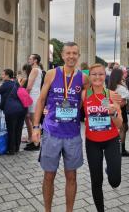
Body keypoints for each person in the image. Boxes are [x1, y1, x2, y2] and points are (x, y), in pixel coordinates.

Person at [31, 42, 88, 212]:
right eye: (68, 53)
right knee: (49, 176)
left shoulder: (83, 78)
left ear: (78, 56)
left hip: (72, 134)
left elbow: (87, 101)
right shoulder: (51, 74)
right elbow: (41, 100)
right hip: (51, 132)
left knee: (71, 176)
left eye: (75, 53)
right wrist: (35, 127)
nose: (71, 56)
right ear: (62, 56)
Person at [83, 63, 123, 212]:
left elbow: (119, 125)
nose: (97, 77)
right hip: (92, 142)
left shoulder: (111, 95)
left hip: (111, 140)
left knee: (115, 180)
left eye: (100, 74)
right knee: (96, 181)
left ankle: (110, 171)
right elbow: (69, 104)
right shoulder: (85, 94)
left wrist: (113, 113)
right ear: (90, 76)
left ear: (105, 76)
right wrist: (50, 112)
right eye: (94, 74)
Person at [0, 69, 26, 155]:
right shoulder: (16, 83)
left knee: (11, 129)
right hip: (21, 109)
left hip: (11, 110)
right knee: (18, 129)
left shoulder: (6, 84)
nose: (2, 76)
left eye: (3, 74)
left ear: (7, 76)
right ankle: (17, 147)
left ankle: (11, 149)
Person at [108, 68, 129, 157]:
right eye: (122, 74)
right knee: (123, 129)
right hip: (121, 110)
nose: (123, 76)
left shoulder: (111, 86)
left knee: (122, 128)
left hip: (115, 109)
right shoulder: (121, 87)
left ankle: (119, 148)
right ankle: (121, 149)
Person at [25, 54, 43, 151]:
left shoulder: (34, 70)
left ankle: (36, 143)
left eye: (30, 58)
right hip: (36, 96)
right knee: (33, 121)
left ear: (35, 60)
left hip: (32, 97)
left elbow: (29, 87)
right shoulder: (39, 70)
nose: (29, 60)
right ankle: (34, 141)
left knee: (33, 122)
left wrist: (25, 99)